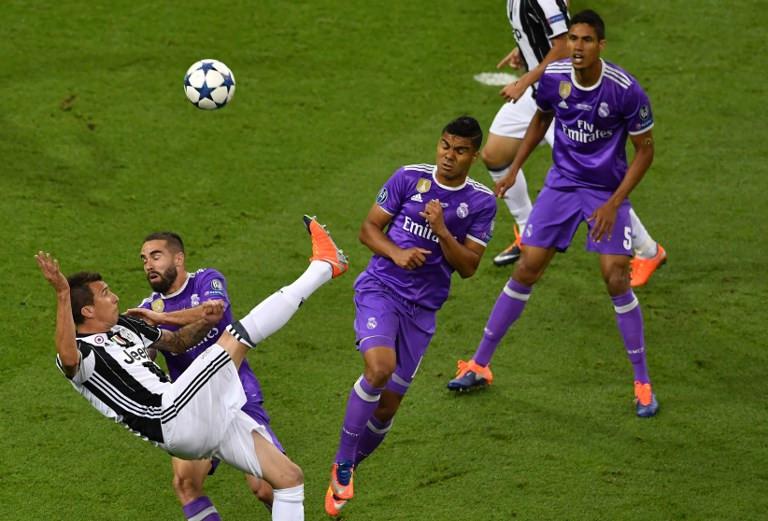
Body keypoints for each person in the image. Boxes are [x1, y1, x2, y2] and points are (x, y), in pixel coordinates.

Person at [36, 215, 348, 521]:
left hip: (194, 413)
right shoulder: (83, 354)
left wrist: (202, 319)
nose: (115, 297)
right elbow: (67, 356)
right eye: (105, 294)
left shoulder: (129, 325)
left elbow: (179, 342)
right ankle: (324, 266)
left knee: (288, 478)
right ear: (88, 310)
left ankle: (325, 264)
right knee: (238, 336)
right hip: (170, 415)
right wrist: (63, 294)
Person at [447, 10, 660, 419]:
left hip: (603, 191)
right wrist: (513, 170)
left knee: (616, 276)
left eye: (586, 40)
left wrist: (614, 203)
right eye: (574, 39)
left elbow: (645, 151)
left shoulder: (624, 90)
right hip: (561, 185)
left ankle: (642, 381)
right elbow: (541, 116)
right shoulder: (554, 77)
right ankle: (479, 364)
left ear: (601, 46)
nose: (577, 47)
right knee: (527, 267)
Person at [324, 116, 497, 516]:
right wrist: (397, 253)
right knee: (380, 368)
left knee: (386, 410)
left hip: (423, 311)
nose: (448, 157)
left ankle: (345, 470)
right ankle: (344, 464)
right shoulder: (408, 178)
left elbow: (469, 266)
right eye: (444, 146)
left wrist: (441, 230)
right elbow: (368, 229)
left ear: (473, 155)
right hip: (381, 290)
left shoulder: (482, 202)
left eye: (459, 151)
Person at [485, 0, 666, 289]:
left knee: (589, 173)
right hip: (540, 91)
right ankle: (528, 227)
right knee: (494, 154)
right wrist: (526, 48)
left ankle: (648, 251)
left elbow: (562, 45)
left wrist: (527, 78)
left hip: (561, 93)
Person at [125, 232, 278, 519]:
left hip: (236, 393)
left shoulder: (207, 280)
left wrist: (160, 321)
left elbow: (213, 311)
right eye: (144, 259)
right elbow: (144, 357)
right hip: (194, 407)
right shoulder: (147, 309)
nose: (149, 265)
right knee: (186, 483)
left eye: (156, 256)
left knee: (266, 487)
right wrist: (138, 351)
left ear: (178, 258)